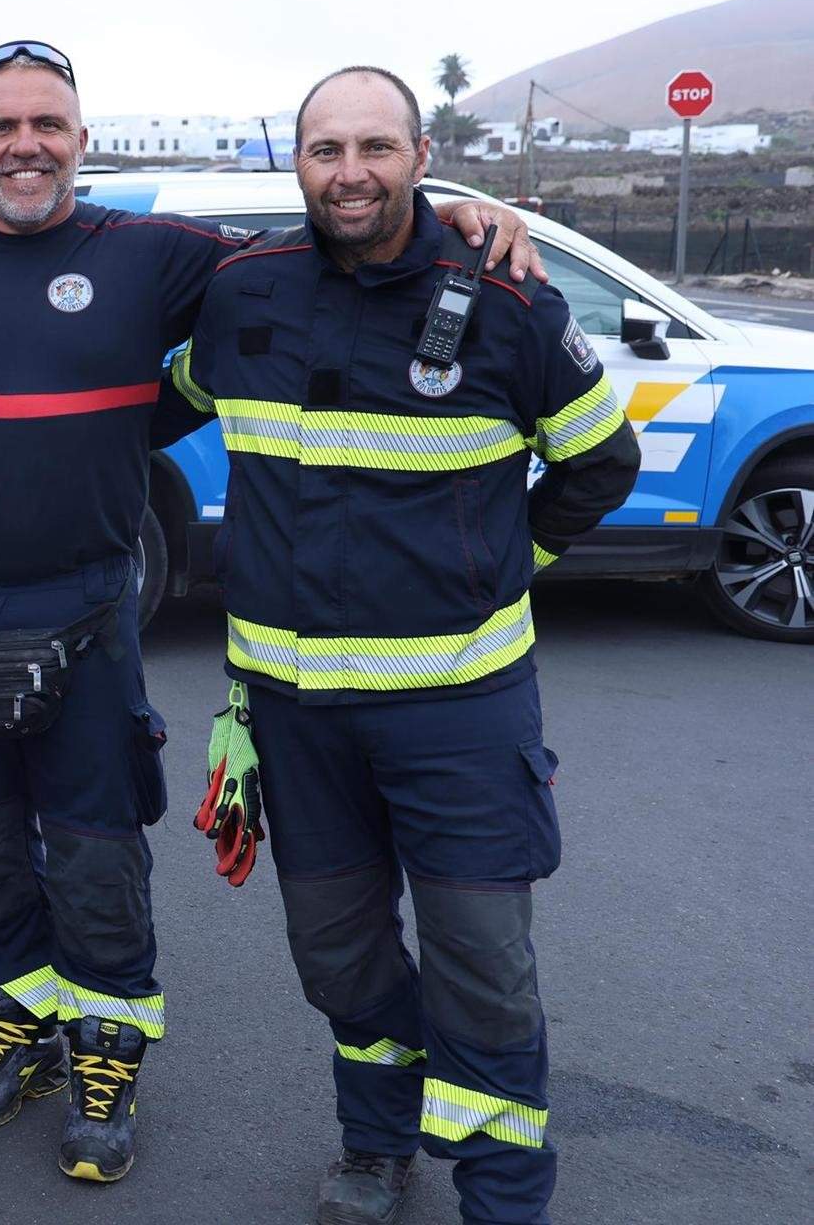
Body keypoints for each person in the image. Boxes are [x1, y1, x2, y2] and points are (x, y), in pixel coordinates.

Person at [0, 40, 542, 1185]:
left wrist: (469, 214)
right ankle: (19, 1021)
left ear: (82, 138)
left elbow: (336, 238)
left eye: (47, 125)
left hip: (86, 614)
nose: (23, 146)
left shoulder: (165, 258)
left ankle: (107, 1052)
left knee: (93, 858)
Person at [156, 66, 640, 1225]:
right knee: (338, 957)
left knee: (480, 962)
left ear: (423, 155)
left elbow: (598, 464)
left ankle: (503, 1190)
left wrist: (503, 568)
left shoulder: (506, 297)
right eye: (326, 150)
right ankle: (376, 1145)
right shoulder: (242, 297)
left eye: (376, 146)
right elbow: (141, 402)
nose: (350, 171)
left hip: (461, 713)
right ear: (297, 165)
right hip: (293, 715)